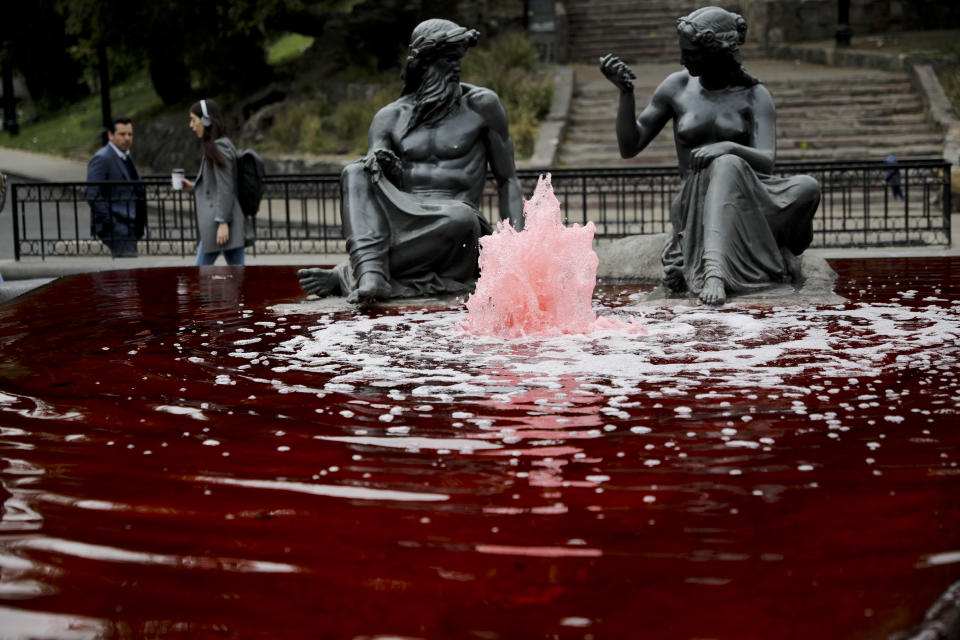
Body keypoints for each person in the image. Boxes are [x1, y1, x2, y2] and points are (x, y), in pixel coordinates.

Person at [600, 6, 820, 305]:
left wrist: (727, 147)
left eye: (690, 53)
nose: (682, 59)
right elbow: (630, 147)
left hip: (747, 200)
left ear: (716, 52)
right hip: (695, 201)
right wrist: (626, 93)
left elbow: (766, 161)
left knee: (807, 186)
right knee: (726, 164)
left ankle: (778, 240)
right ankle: (714, 272)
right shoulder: (676, 87)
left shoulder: (754, 95)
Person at [298, 18, 523, 304]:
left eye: (459, 59)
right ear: (422, 64)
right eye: (447, 60)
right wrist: (381, 163)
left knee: (461, 220)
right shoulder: (389, 117)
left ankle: (348, 273)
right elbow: (374, 178)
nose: (456, 68)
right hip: (404, 220)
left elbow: (508, 180)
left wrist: (517, 250)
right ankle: (370, 275)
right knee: (355, 171)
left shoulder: (481, 105)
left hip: (456, 222)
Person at [180, 99, 246, 266]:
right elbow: (217, 185)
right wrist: (193, 187)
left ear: (207, 120)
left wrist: (222, 222)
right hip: (223, 223)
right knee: (239, 276)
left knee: (198, 273)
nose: (191, 125)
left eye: (194, 120)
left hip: (221, 224)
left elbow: (226, 186)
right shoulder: (217, 146)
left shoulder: (219, 147)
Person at [86, 117, 146, 257]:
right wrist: (109, 222)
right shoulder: (102, 158)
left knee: (128, 268)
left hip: (130, 224)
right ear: (110, 135)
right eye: (122, 134)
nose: (127, 138)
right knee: (129, 266)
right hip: (116, 226)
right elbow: (92, 193)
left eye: (130, 134)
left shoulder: (125, 156)